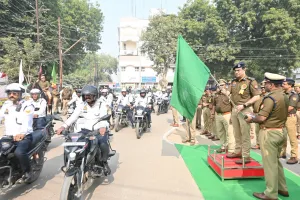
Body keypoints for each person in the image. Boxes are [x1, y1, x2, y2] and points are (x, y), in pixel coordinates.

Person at [245, 72, 289, 200]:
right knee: (276, 163)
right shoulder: (284, 96)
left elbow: (262, 117)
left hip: (269, 132)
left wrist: (251, 119)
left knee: (270, 165)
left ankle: (270, 193)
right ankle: (282, 188)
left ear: (271, 84)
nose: (265, 86)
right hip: (280, 130)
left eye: (266, 83)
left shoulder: (271, 98)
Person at [56, 85, 111, 175]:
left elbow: (104, 118)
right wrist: (63, 126)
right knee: (73, 143)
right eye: (85, 95)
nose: (87, 97)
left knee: (103, 143)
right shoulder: (82, 105)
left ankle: (104, 163)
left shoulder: (101, 104)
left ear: (95, 95)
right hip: (85, 130)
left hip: (98, 130)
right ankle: (71, 163)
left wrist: (102, 127)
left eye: (89, 95)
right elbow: (73, 116)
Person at [227, 61, 260, 164]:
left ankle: (246, 155)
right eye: (235, 71)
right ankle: (237, 151)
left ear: (244, 69)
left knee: (245, 133)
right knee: (236, 132)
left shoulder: (250, 81)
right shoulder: (233, 82)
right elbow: (229, 92)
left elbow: (257, 96)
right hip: (235, 109)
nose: (236, 72)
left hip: (245, 109)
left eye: (238, 70)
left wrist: (245, 105)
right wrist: (225, 92)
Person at [0, 83, 34, 181]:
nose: (11, 95)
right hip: (8, 136)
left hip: (24, 136)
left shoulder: (27, 105)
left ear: (21, 94)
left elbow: (27, 121)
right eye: (9, 93)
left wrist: (22, 133)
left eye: (14, 93)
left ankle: (27, 171)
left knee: (19, 152)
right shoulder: (6, 105)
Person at [213, 79, 235, 153]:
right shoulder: (216, 95)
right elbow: (214, 105)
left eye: (222, 85)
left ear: (225, 85)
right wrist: (213, 114)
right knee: (221, 132)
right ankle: (223, 146)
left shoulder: (229, 95)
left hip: (227, 114)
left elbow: (233, 106)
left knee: (229, 132)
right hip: (218, 115)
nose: (220, 86)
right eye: (219, 85)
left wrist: (232, 115)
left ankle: (231, 149)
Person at [280, 78, 299, 164]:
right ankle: (282, 153)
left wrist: (277, 112)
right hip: (283, 117)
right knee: (282, 136)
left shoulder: (293, 95)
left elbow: (290, 107)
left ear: (290, 85)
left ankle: (294, 156)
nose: (282, 85)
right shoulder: (282, 93)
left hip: (290, 117)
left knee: (292, 137)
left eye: (284, 84)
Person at [252, 81, 266, 150]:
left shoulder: (268, 96)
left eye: (264, 88)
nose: (263, 89)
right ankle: (258, 143)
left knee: (264, 130)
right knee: (257, 130)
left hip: (264, 115)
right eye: (262, 88)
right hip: (257, 114)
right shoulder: (258, 96)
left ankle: (264, 144)